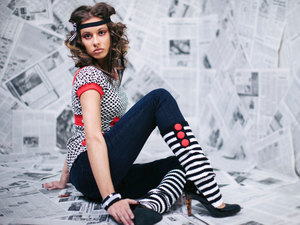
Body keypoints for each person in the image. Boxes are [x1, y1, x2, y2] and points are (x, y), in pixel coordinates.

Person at [43, 2, 241, 225]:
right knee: (159, 98)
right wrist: (109, 199)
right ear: (80, 41)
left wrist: (64, 178)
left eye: (101, 32)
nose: (96, 41)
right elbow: (91, 137)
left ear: (111, 33)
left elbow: (78, 128)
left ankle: (149, 206)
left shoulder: (110, 74)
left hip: (106, 172)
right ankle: (211, 192)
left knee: (181, 164)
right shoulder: (89, 76)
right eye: (88, 36)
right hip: (91, 172)